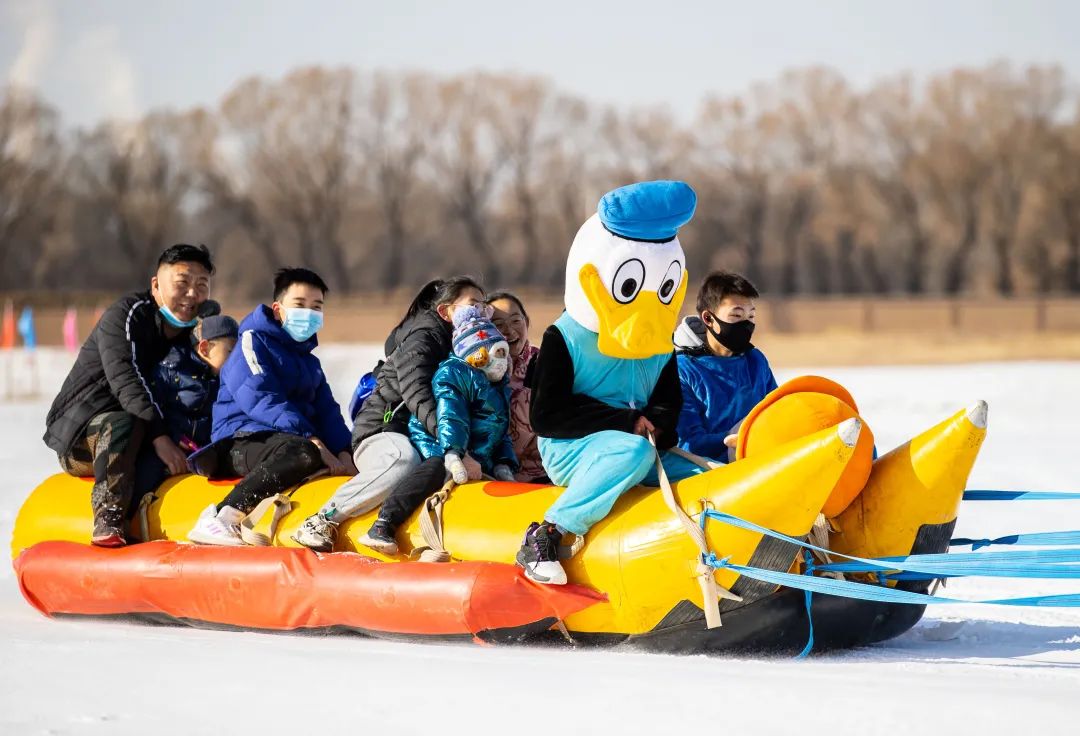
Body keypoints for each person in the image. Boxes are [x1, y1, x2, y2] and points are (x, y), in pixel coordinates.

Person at [517, 181, 706, 585]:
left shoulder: (656, 338)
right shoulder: (564, 337)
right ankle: (546, 534)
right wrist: (627, 422)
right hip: (573, 448)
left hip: (639, 446)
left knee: (708, 476)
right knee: (631, 451)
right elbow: (547, 416)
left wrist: (657, 423)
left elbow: (668, 400)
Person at [293, 276, 486, 552]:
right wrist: (455, 447)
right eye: (473, 305)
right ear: (446, 311)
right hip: (382, 430)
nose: (480, 313)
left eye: (485, 307)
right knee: (401, 460)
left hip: (420, 435)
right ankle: (323, 518)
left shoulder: (464, 346)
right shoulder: (423, 339)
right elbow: (417, 395)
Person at [44, 244, 215, 547]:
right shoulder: (127, 316)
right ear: (156, 285)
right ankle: (109, 516)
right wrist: (161, 438)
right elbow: (126, 380)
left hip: (149, 433)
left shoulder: (200, 332)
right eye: (182, 283)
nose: (192, 294)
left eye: (201, 285)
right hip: (86, 434)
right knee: (125, 421)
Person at [187, 268, 355, 546]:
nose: (309, 314)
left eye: (316, 307)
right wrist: (314, 442)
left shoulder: (309, 362)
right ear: (278, 309)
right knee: (302, 452)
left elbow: (328, 412)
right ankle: (220, 516)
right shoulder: (252, 341)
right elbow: (261, 397)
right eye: (300, 305)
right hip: (240, 440)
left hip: (283, 439)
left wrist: (345, 452)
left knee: (326, 453)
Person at [357, 304, 518, 554]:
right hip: (439, 442)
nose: (501, 363)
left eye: (503, 355)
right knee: (433, 469)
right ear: (477, 355)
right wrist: (453, 454)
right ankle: (384, 522)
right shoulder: (453, 375)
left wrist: (504, 462)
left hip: (473, 452)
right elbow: (452, 416)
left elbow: (500, 428)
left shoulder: (498, 385)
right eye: (494, 355)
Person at [132, 311, 240, 503]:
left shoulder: (222, 379)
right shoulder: (171, 369)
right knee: (147, 472)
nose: (235, 361)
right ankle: (132, 514)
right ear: (205, 348)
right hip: (169, 447)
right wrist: (173, 436)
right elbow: (155, 409)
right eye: (231, 352)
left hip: (201, 450)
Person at [674, 271, 777, 461]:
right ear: (708, 319)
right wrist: (739, 439)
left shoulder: (755, 360)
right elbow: (687, 443)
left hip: (759, 460)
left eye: (751, 316)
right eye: (736, 315)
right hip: (710, 474)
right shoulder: (683, 370)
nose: (746, 324)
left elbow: (777, 410)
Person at [486, 291, 545, 483]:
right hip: (493, 477)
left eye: (515, 321)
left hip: (547, 473)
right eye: (498, 324)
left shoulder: (547, 362)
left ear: (526, 323)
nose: (509, 331)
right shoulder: (477, 372)